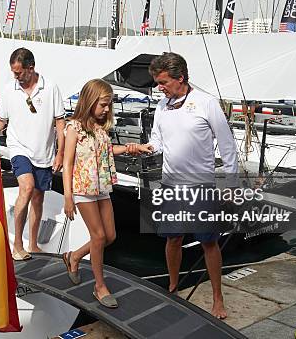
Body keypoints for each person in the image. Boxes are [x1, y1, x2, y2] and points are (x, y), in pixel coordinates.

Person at [143, 52, 238, 320]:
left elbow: (228, 145)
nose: (159, 88)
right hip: (171, 185)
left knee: (209, 242)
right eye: (157, 83)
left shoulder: (206, 103)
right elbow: (157, 142)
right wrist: (143, 148)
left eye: (163, 82)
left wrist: (231, 181)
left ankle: (218, 299)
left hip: (201, 186)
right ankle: (173, 288)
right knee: (173, 238)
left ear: (180, 78)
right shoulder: (162, 106)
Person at [62, 79, 144, 309]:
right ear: (90, 101)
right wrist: (68, 196)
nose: (107, 109)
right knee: (98, 237)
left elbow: (108, 150)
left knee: (110, 236)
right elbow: (67, 164)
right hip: (83, 189)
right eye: (104, 104)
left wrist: (132, 147)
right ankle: (100, 287)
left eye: (109, 105)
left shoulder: (100, 128)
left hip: (102, 187)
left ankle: (74, 256)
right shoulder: (73, 128)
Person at [0, 48, 66, 260]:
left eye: (18, 72)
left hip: (43, 152)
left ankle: (33, 244)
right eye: (13, 73)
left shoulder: (50, 87)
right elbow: (1, 122)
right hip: (19, 148)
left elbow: (60, 122)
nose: (15, 77)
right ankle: (17, 244)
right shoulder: (9, 89)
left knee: (37, 199)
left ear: (31, 68)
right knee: (26, 187)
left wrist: (60, 153)